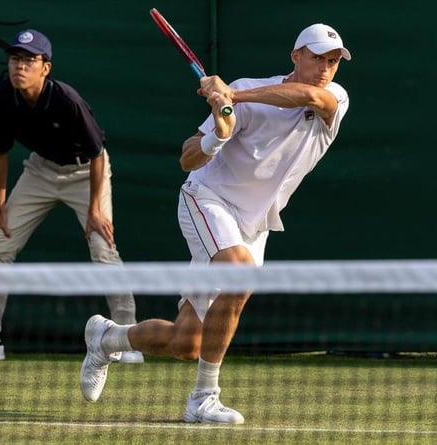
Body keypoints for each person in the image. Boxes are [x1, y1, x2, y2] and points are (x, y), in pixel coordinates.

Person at [79, 23, 352, 423]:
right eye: (317, 57)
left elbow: (308, 96)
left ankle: (107, 337)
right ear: (295, 56)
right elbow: (187, 158)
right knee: (241, 277)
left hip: (254, 225)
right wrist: (217, 137)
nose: (326, 67)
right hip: (207, 200)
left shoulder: (332, 97)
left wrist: (230, 96)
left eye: (332, 60)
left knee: (185, 342)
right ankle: (203, 397)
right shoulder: (246, 92)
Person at [0, 29, 143, 364]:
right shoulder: (0, 98)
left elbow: (97, 155)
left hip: (85, 172)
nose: (19, 66)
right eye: (14, 59)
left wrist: (95, 210)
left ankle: (128, 338)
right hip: (40, 170)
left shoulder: (68, 100)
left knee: (102, 248)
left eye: (28, 60)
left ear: (45, 68)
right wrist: (0, 209)